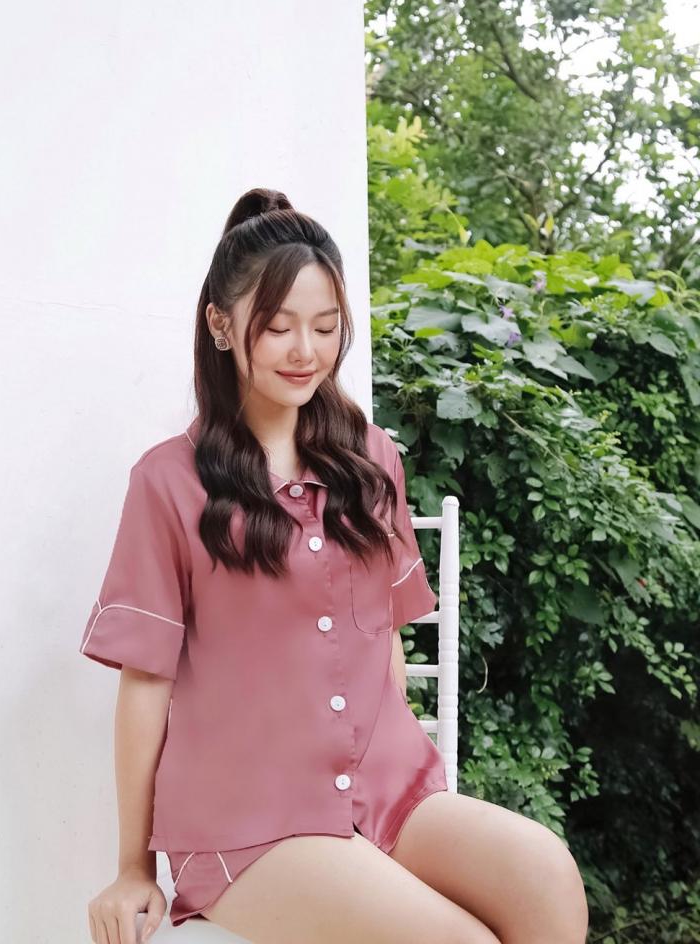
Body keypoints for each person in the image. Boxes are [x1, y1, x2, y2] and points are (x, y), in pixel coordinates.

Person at [80, 188, 589, 944]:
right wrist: (133, 867)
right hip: (250, 821)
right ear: (220, 324)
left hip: (384, 790)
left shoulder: (371, 459)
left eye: (324, 327)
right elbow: (145, 682)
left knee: (546, 878)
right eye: (278, 327)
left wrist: (398, 784)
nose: (305, 351)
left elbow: (384, 634)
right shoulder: (168, 483)